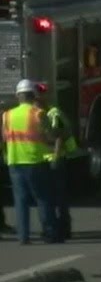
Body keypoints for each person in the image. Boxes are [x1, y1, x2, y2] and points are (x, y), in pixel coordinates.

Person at [2, 79, 58, 244]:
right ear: (33, 96)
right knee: (42, 198)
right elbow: (49, 136)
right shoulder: (38, 114)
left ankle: (23, 237)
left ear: (17, 96)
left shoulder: (7, 115)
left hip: (14, 161)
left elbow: (4, 138)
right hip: (35, 161)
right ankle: (49, 233)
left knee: (20, 201)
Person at [36, 82, 74, 241]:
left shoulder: (53, 113)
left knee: (59, 197)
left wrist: (56, 158)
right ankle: (57, 227)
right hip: (45, 160)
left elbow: (58, 137)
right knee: (51, 197)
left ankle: (64, 228)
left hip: (55, 160)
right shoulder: (40, 113)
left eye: (39, 97)